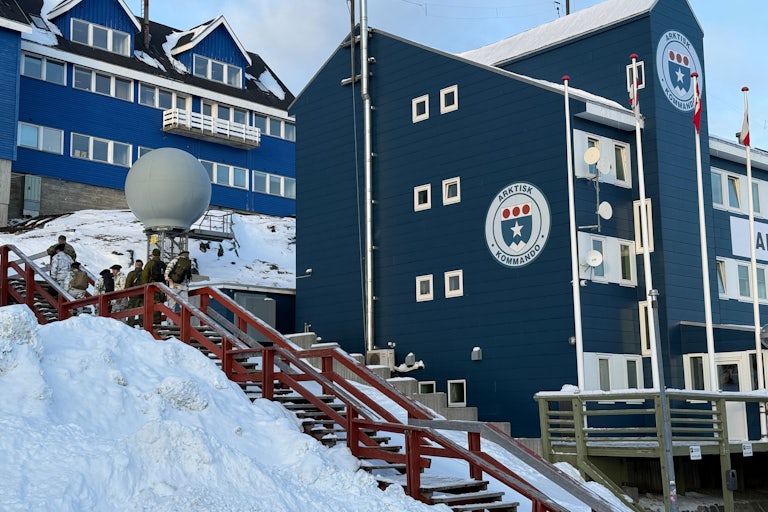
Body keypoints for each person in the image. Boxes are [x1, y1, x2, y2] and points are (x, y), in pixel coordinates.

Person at [141, 248, 166, 324]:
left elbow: (144, 276)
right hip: (161, 288)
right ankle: (158, 323)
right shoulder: (163, 264)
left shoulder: (150, 264)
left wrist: (144, 287)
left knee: (151, 305)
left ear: (152, 255)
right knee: (159, 305)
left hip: (152, 287)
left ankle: (150, 324)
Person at [125, 260, 144, 327]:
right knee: (142, 313)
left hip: (133, 296)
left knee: (131, 313)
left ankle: (130, 327)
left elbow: (127, 286)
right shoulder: (145, 273)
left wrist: (127, 294)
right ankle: (142, 327)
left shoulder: (131, 274)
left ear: (135, 265)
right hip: (143, 296)